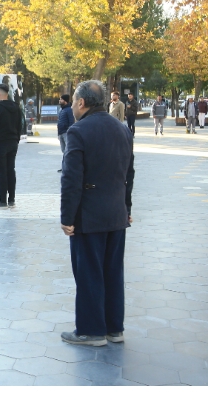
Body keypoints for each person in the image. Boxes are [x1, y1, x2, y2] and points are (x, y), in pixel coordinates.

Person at [60, 80, 134, 347]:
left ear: (81, 102)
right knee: (113, 272)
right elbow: (129, 174)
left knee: (89, 271)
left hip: (88, 216)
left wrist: (67, 218)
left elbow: (71, 179)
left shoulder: (78, 131)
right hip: (116, 214)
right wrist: (127, 208)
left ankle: (91, 331)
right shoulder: (122, 129)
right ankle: (114, 328)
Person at [0, 83, 22, 208]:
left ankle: (3, 201)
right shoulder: (17, 108)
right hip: (13, 143)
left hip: (0, 145)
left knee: (2, 172)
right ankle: (11, 199)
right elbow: (20, 125)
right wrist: (16, 139)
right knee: (11, 170)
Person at [57, 94, 74, 172]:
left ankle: (68, 167)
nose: (59, 100)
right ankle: (64, 166)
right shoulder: (62, 110)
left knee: (68, 150)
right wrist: (58, 134)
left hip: (66, 133)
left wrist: (69, 132)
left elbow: (71, 121)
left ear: (65, 101)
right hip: (61, 133)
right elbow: (59, 122)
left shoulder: (69, 110)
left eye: (61, 99)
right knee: (64, 151)